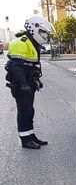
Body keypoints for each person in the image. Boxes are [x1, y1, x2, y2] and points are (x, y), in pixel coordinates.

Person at [4, 15, 54, 149]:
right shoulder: (20, 42)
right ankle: (25, 140)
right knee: (24, 110)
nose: (45, 35)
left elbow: (32, 66)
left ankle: (31, 135)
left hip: (28, 83)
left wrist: (37, 79)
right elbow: (16, 67)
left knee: (29, 110)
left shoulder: (33, 43)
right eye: (43, 32)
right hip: (20, 84)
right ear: (34, 28)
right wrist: (23, 83)